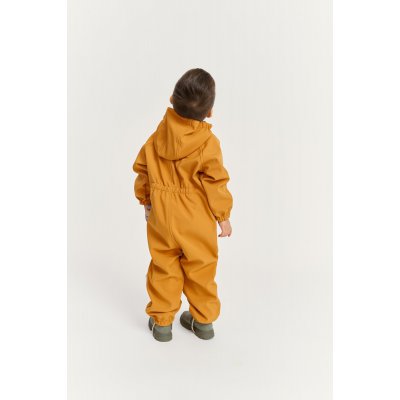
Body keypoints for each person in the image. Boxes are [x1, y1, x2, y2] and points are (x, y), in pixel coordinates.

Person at [132, 68, 233, 342]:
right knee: (201, 268)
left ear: (171, 99)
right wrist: (223, 216)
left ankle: (162, 324)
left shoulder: (157, 136)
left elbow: (143, 170)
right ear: (209, 112)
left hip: (162, 217)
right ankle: (203, 322)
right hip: (196, 220)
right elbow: (216, 181)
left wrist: (146, 200)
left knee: (164, 266)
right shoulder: (208, 143)